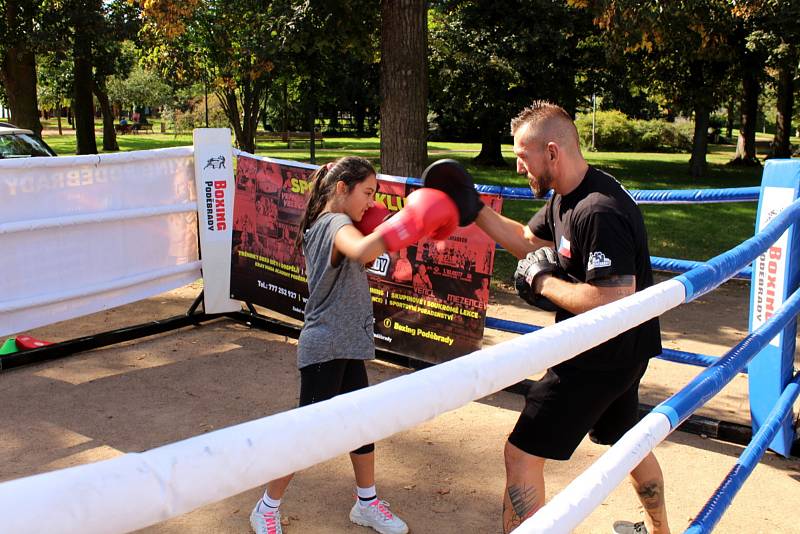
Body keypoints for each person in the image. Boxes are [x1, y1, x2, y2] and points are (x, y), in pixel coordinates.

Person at [465, 101, 670, 534]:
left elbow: (612, 298)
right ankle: (661, 532)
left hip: (599, 356)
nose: (519, 166)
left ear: (552, 152)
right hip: (624, 349)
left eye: (523, 156)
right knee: (626, 442)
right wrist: (473, 208)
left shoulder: (598, 210)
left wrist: (541, 283)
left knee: (521, 453)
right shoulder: (566, 195)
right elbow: (526, 240)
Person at [249, 156, 460, 534]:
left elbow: (367, 251)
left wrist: (402, 239)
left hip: (345, 342)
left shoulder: (334, 221)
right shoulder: (335, 223)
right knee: (304, 433)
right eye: (367, 192)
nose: (371, 201)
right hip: (326, 345)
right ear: (342, 188)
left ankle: (366, 503)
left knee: (361, 426)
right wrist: (408, 222)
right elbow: (362, 251)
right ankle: (266, 506)